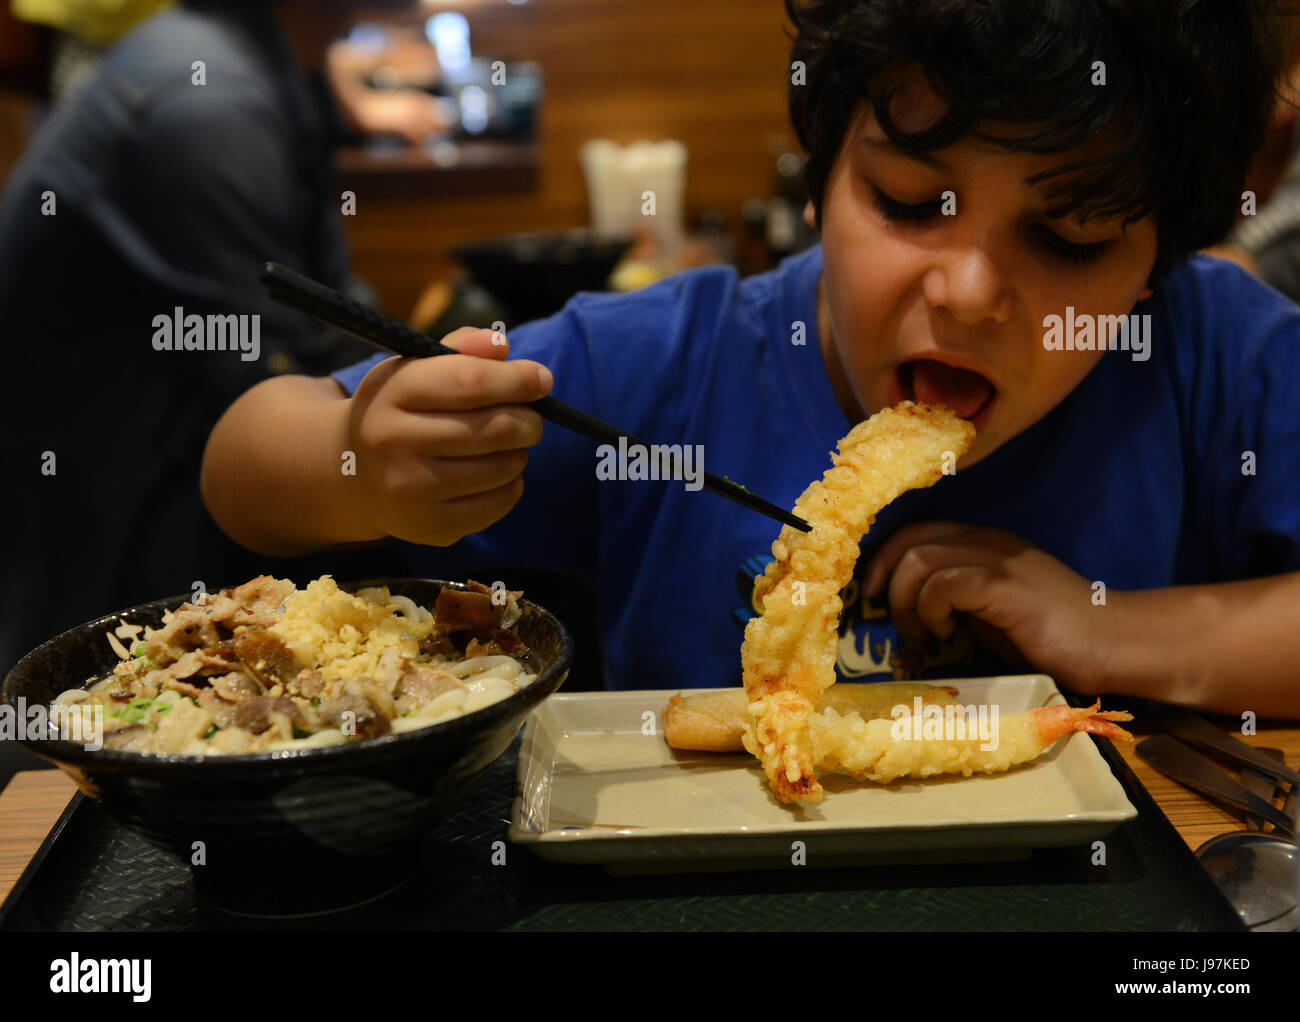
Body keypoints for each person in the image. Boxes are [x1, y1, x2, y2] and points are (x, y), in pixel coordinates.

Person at [203, 0, 1300, 719]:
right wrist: (361, 451)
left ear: (1161, 261)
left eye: (1068, 237)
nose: (968, 289)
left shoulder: (1211, 357)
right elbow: (244, 467)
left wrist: (1110, 629)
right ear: (818, 179)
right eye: (910, 203)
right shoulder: (668, 364)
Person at [0, 1, 421, 708]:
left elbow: (323, 310)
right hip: (110, 546)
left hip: (151, 479)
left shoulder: (254, 61)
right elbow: (273, 373)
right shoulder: (206, 104)